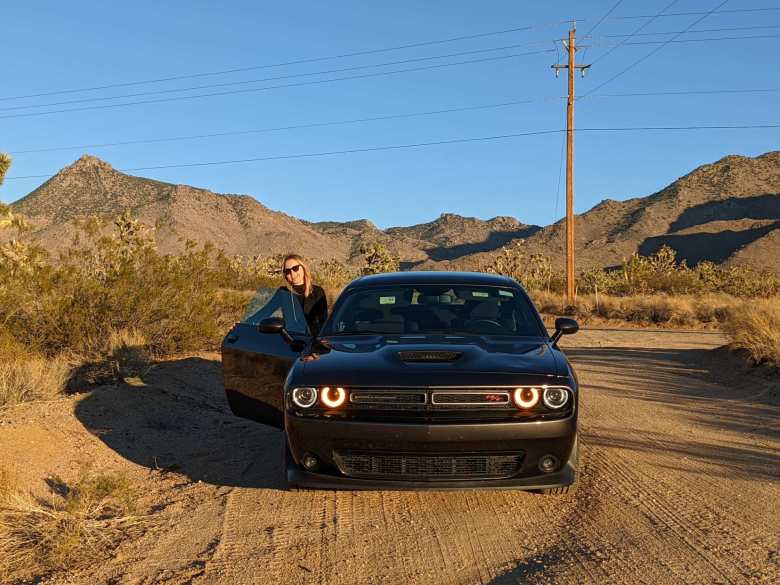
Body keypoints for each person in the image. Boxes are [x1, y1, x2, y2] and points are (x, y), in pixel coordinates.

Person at [282, 254, 328, 336]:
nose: (292, 273)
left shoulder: (317, 292)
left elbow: (324, 321)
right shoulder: (283, 292)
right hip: (290, 340)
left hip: (312, 341)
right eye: (287, 271)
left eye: (295, 268)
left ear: (303, 268)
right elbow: (265, 312)